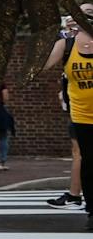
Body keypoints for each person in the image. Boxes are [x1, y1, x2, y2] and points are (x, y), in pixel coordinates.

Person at [55, 3, 93, 231]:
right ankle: (90, 209)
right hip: (82, 115)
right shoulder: (67, 44)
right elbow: (42, 63)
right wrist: (59, 34)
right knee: (88, 162)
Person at [47, 15, 86, 209]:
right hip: (78, 110)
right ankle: (75, 195)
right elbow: (44, 63)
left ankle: (75, 195)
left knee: (80, 152)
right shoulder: (67, 44)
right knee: (78, 151)